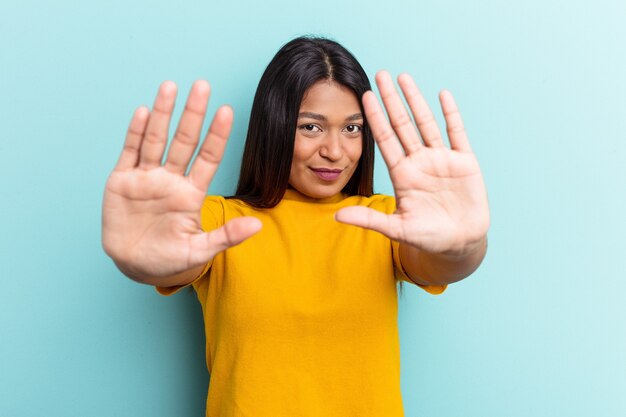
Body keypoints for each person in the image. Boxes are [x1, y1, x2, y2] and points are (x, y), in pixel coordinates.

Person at [102, 36, 490, 416]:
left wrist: (463, 246)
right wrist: (141, 261)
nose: (335, 151)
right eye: (311, 127)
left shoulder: (388, 222)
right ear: (274, 126)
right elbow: (168, 258)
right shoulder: (219, 223)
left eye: (352, 129)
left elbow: (444, 263)